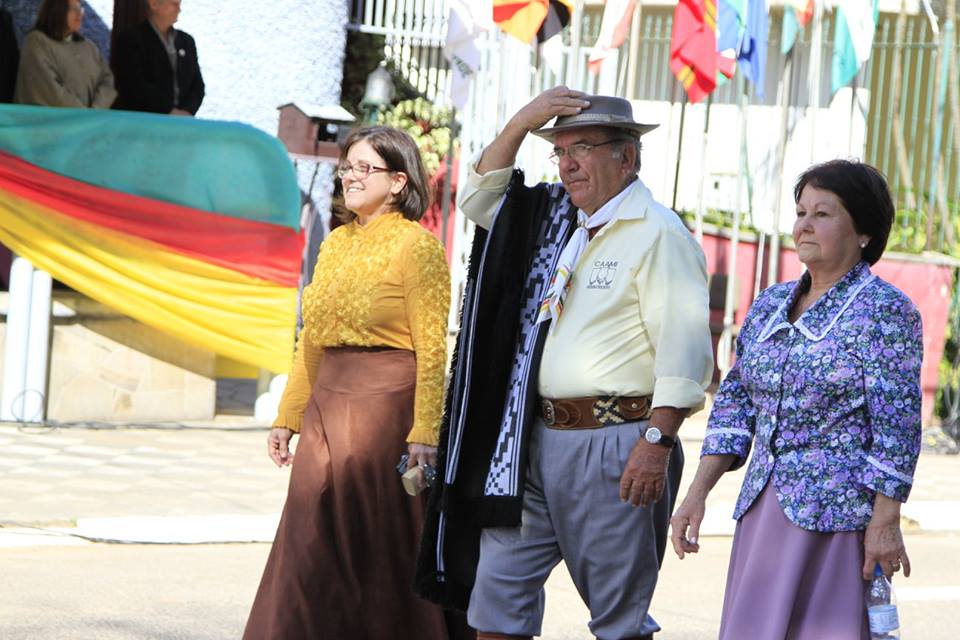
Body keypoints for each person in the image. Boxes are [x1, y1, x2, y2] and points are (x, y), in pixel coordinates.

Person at [415, 88, 714, 640]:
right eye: (559, 151)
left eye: (583, 148)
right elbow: (480, 200)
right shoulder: (558, 219)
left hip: (617, 440)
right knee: (495, 597)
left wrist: (656, 443)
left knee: (617, 618)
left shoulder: (659, 233)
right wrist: (520, 121)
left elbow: (686, 350)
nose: (568, 163)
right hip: (532, 439)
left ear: (627, 157)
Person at [670, 159, 923, 639]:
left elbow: (898, 428)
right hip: (763, 512)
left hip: (837, 520)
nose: (804, 225)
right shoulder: (770, 303)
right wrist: (696, 494)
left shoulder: (886, 311)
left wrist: (885, 521)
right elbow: (735, 404)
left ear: (864, 232)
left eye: (823, 214)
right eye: (800, 211)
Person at [243, 126, 453, 639]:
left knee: (374, 548)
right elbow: (311, 338)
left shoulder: (417, 248)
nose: (350, 177)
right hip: (324, 407)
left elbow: (432, 349)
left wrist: (424, 432)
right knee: (307, 539)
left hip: (385, 410)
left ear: (399, 181)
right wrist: (288, 416)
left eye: (365, 168)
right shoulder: (335, 243)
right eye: (347, 167)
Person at [13, 0, 116, 108]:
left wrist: (96, 109)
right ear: (56, 11)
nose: (79, 14)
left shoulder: (89, 46)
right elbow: (47, 89)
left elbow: (106, 80)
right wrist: (83, 114)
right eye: (74, 9)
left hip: (90, 120)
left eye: (80, 9)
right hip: (51, 122)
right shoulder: (37, 41)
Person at [111, 0, 204, 115]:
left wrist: (187, 111)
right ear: (154, 4)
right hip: (143, 120)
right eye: (174, 4)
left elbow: (197, 85)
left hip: (181, 122)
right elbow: (134, 84)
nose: (179, 10)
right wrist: (169, 111)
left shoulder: (186, 41)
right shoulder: (131, 40)